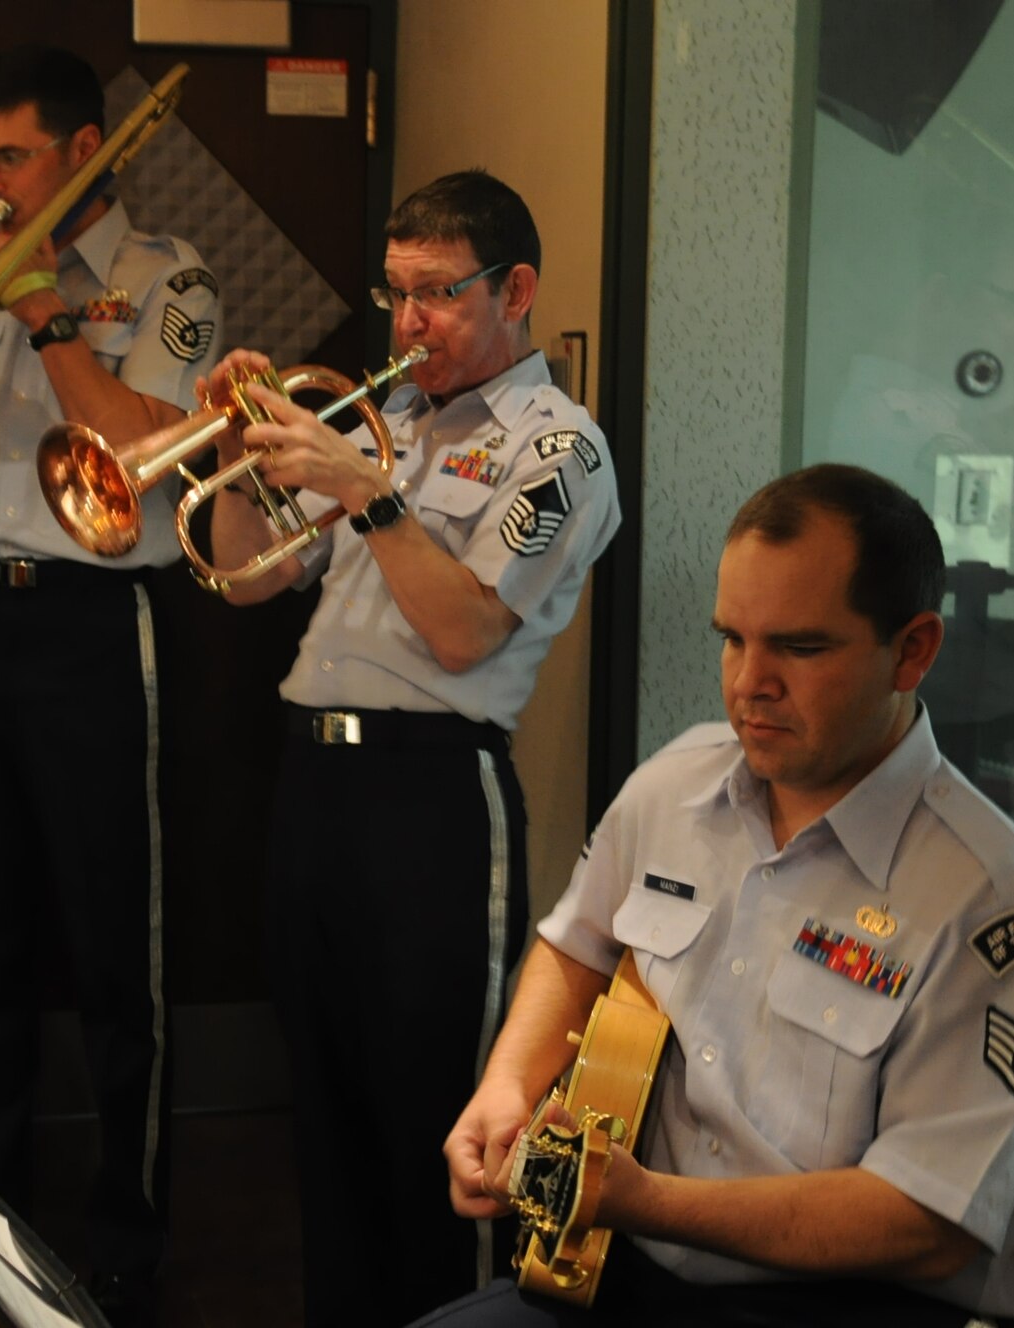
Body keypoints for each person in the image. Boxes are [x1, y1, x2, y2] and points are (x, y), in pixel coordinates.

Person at [428, 464, 1014, 1328]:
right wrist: (507, 1086)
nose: (750, 682)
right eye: (733, 639)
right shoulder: (672, 787)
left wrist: (638, 1200)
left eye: (801, 647)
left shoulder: (991, 901)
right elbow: (575, 946)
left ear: (914, 650)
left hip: (853, 1301)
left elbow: (924, 1223)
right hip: (625, 1266)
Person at [204, 169, 622, 1328]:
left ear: (515, 290)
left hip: (432, 796)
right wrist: (245, 451)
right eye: (394, 294)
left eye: (436, 294)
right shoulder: (385, 424)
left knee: (439, 1109)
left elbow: (462, 630)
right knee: (326, 1102)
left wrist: (369, 495)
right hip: (315, 783)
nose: (406, 325)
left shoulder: (559, 450)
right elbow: (247, 574)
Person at [0, 45, 220, 1324]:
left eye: (8, 156)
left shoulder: (162, 275)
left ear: (85, 152)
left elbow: (144, 446)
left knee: (115, 939)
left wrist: (49, 319)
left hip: (93, 619)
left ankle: (126, 1233)